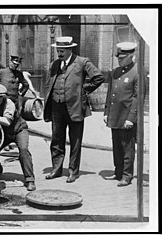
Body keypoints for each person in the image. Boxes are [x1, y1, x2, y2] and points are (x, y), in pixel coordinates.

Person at [44, 36, 104, 183]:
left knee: (75, 141)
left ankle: (73, 171)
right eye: (58, 50)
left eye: (62, 50)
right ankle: (56, 170)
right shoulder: (55, 64)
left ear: (70, 49)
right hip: (56, 106)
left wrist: (83, 90)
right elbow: (50, 82)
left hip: (75, 106)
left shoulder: (82, 62)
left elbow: (98, 77)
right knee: (56, 139)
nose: (60, 53)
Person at [103, 42, 145, 187]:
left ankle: (127, 175)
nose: (119, 60)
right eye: (118, 57)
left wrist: (131, 118)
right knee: (116, 145)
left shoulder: (138, 72)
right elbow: (110, 94)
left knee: (127, 146)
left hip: (127, 116)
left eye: (122, 57)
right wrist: (106, 112)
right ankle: (118, 171)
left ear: (131, 56)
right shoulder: (115, 72)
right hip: (115, 115)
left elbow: (138, 97)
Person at [0, 84, 36, 191]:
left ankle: (30, 180)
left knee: (23, 150)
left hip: (18, 130)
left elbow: (7, 122)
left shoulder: (9, 103)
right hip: (4, 134)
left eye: (0, 97)